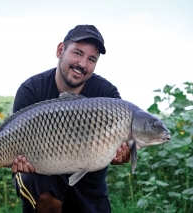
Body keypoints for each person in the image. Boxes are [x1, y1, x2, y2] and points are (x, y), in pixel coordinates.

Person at [11, 24, 130, 213]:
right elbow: (13, 138)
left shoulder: (107, 94)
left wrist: (124, 153)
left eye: (91, 59)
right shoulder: (32, 90)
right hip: (41, 170)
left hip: (89, 180)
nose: (82, 64)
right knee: (43, 194)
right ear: (60, 50)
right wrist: (18, 160)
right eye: (77, 53)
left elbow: (122, 145)